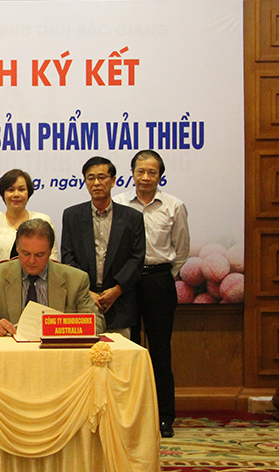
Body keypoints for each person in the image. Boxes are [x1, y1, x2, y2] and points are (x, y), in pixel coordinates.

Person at [114, 149, 190, 438]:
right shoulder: (119, 203)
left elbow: (181, 250)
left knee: (160, 350)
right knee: (127, 348)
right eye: (140, 171)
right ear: (132, 173)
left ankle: (164, 416)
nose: (145, 177)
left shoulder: (174, 206)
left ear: (160, 176)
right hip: (125, 284)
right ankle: (129, 414)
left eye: (152, 172)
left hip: (158, 281)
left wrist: (162, 275)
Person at [0, 218, 105, 336]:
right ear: (17, 249)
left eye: (39, 255)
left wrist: (64, 327)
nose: (31, 261)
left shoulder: (75, 280)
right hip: (12, 351)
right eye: (25, 254)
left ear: (50, 252)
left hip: (57, 352)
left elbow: (97, 323)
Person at [61, 156, 145, 338]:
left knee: (120, 353)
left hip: (120, 302)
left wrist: (117, 289)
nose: (96, 183)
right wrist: (86, 291)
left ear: (113, 181)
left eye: (102, 177)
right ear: (85, 182)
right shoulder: (72, 215)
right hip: (82, 301)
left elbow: (137, 258)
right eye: (91, 178)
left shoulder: (132, 217)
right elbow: (67, 256)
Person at [0, 168, 59, 296]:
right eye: (10, 190)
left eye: (21, 189)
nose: (16, 194)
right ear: (3, 194)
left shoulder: (43, 220)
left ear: (29, 193)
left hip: (38, 289)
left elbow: (53, 261)